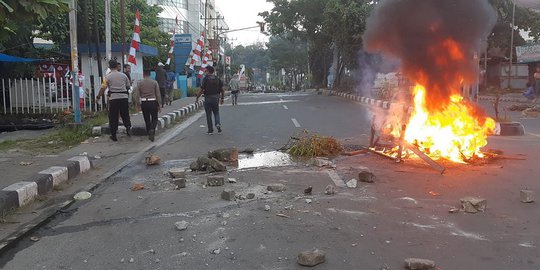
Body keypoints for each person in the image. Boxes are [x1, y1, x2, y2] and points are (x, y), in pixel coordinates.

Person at [97, 60, 131, 141]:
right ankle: (128, 127)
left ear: (109, 67)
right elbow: (128, 86)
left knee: (114, 116)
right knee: (125, 114)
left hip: (114, 98)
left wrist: (98, 96)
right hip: (124, 97)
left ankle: (114, 135)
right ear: (116, 66)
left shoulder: (107, 77)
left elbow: (103, 88)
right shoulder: (124, 75)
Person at [134, 70, 161, 141]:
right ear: (150, 74)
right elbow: (158, 94)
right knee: (154, 118)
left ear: (143, 74)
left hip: (144, 102)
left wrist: (137, 104)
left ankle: (149, 132)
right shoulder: (154, 82)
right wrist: (159, 104)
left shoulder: (140, 83)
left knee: (147, 119)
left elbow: (137, 94)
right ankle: (152, 129)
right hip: (153, 101)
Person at [195, 66, 224, 134]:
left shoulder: (205, 79)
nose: (204, 72)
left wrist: (197, 97)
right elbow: (222, 90)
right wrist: (222, 98)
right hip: (216, 98)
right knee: (216, 112)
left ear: (208, 71)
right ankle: (217, 123)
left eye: (205, 71)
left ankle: (210, 130)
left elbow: (201, 90)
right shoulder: (217, 79)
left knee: (208, 114)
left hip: (208, 98)